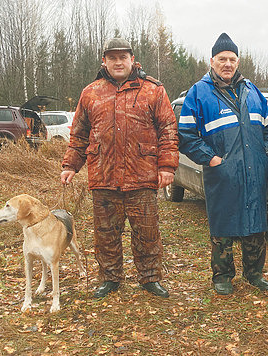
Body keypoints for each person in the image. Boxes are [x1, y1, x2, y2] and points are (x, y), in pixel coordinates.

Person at [60, 38, 178, 299]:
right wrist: (70, 165)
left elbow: (168, 130)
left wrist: (167, 166)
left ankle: (149, 279)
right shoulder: (90, 92)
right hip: (104, 176)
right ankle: (110, 279)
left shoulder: (153, 90)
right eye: (112, 58)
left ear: (132, 60)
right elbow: (79, 134)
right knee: (105, 234)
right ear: (104, 61)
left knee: (147, 232)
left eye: (122, 57)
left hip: (142, 176)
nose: (118, 62)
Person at [178, 33, 268, 295]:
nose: (227, 64)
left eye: (232, 59)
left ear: (238, 61)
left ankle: (254, 273)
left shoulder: (251, 90)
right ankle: (222, 276)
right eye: (222, 59)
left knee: (255, 222)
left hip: (253, 170)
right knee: (223, 224)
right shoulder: (199, 93)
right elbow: (186, 135)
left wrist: (265, 156)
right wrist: (212, 159)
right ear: (212, 61)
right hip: (222, 172)